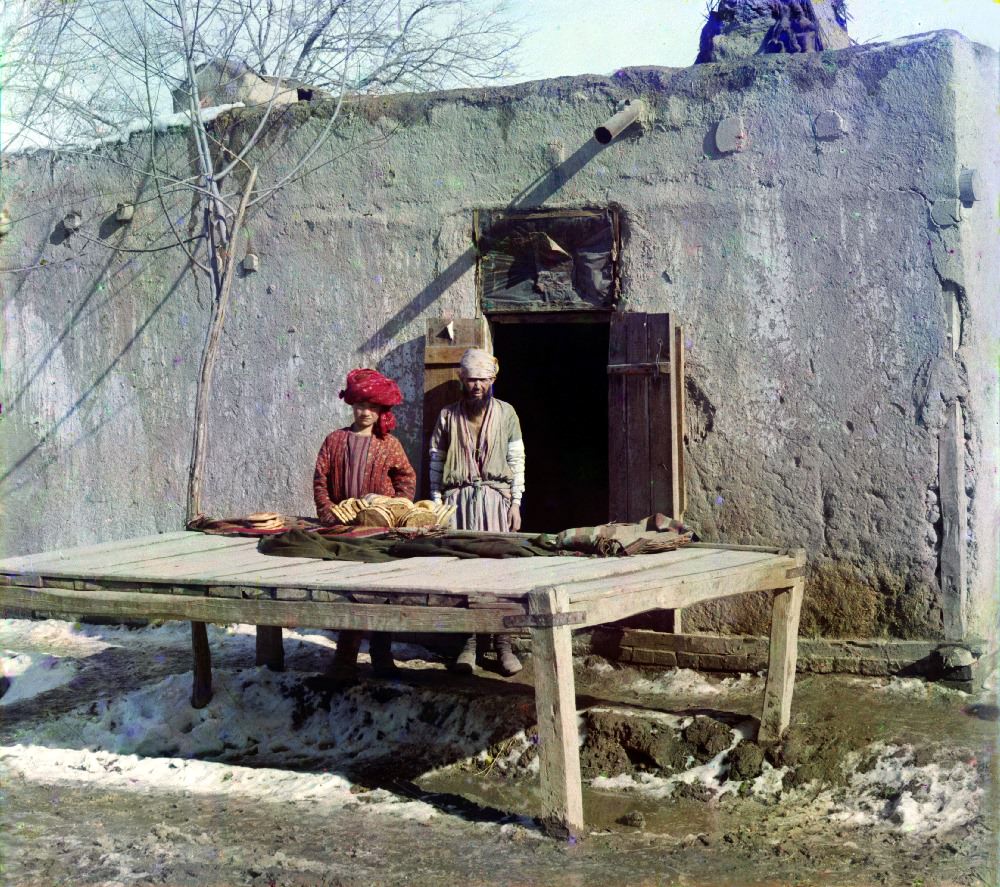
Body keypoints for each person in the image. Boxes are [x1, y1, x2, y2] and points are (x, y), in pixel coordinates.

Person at [313, 368, 416, 684]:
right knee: (350, 595)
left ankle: (382, 658)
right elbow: (320, 480)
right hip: (345, 534)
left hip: (379, 535)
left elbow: (406, 479)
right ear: (351, 405)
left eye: (372, 407)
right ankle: (344, 660)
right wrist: (329, 514)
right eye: (360, 405)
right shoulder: (335, 440)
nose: (365, 413)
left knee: (381, 594)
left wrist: (394, 509)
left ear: (381, 410)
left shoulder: (389, 444)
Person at [428, 348, 525, 676]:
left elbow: (516, 462)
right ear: (461, 380)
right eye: (470, 380)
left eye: (482, 380)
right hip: (458, 506)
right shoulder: (447, 416)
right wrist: (436, 505)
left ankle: (503, 644)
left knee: (500, 574)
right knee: (464, 576)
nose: (476, 386)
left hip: (496, 505)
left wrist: (515, 503)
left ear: (492, 379)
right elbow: (436, 462)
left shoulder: (507, 414)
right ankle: (468, 644)